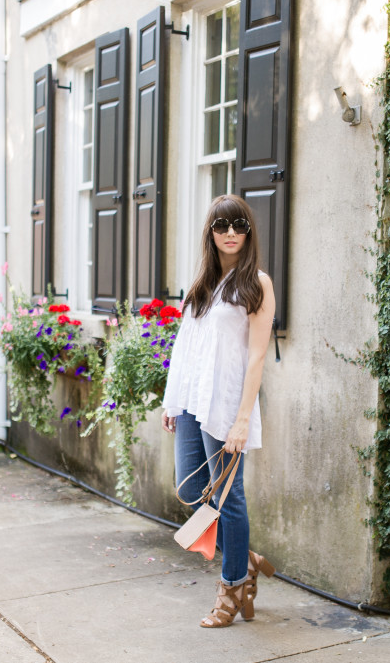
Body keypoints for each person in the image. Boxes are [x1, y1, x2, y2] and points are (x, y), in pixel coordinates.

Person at [160, 194, 277, 628]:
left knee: (229, 498)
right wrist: (173, 400)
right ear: (211, 232)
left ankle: (230, 590)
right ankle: (245, 559)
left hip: (226, 403)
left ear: (248, 232)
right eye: (222, 225)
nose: (230, 233)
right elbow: (185, 349)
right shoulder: (202, 286)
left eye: (239, 225)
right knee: (190, 489)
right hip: (192, 401)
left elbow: (257, 357)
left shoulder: (257, 284)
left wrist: (243, 418)